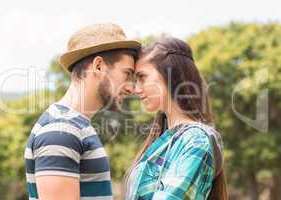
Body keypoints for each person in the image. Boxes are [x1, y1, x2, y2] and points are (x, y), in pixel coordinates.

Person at [24, 23, 141, 200]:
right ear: (99, 66)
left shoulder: (76, 126)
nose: (131, 88)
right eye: (127, 74)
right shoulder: (60, 130)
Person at [125, 37, 228, 200]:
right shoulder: (166, 139)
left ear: (170, 75)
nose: (136, 89)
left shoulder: (195, 140)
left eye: (142, 77)